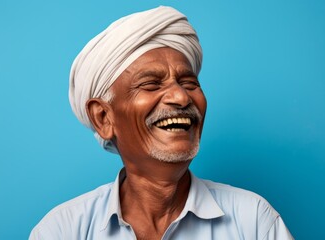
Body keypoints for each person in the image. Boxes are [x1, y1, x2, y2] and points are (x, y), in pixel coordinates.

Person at [29, 6, 294, 240]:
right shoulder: (61, 230)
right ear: (104, 118)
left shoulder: (255, 221)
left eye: (189, 83)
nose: (180, 96)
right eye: (151, 84)